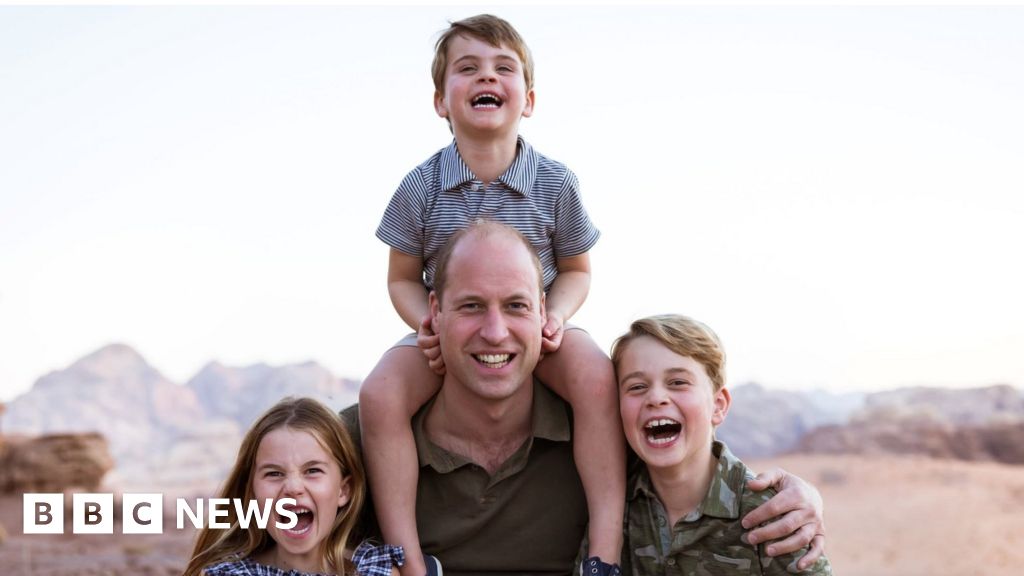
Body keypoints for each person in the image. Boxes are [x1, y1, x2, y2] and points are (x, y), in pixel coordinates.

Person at [344, 220, 826, 575]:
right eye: (471, 306)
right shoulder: (359, 444)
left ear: (544, 315)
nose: (495, 332)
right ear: (435, 312)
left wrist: (802, 497)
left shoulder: (601, 438)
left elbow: (691, 475)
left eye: (516, 306)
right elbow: (274, 506)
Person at [360, 14, 624, 576]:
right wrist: (425, 327)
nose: (487, 77)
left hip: (537, 331)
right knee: (381, 394)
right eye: (468, 68)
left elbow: (577, 268)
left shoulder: (555, 182)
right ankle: (406, 559)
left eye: (504, 68)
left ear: (527, 99)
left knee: (598, 377)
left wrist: (557, 314)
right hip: (449, 333)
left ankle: (603, 555)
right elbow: (401, 278)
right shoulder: (420, 185)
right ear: (440, 100)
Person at [612, 315, 832, 575]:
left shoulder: (769, 512)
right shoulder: (608, 504)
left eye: (678, 382)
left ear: (718, 406)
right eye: (637, 386)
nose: (656, 397)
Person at [184, 397, 406, 576]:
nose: (292, 487)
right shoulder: (227, 573)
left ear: (343, 490)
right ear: (252, 494)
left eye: (312, 471)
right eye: (274, 473)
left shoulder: (374, 570)